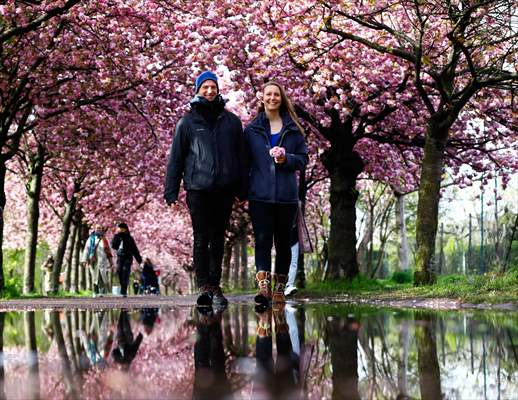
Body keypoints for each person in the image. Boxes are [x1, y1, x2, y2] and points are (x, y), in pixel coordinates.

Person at [164, 71, 246, 307]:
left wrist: (242, 188)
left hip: (224, 189)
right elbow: (176, 158)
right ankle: (203, 286)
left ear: (218, 90)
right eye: (205, 87)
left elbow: (240, 157)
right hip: (197, 189)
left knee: (218, 238)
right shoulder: (187, 122)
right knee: (201, 237)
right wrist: (171, 190)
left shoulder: (231, 122)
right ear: (197, 90)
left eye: (213, 87)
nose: (209, 91)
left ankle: (215, 284)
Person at [245, 81, 308, 308]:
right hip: (259, 196)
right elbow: (245, 162)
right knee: (262, 241)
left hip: (286, 197)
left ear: (282, 99)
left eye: (276, 95)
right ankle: (264, 289)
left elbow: (303, 160)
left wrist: (286, 159)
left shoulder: (294, 129)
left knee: (283, 244)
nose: (272, 98)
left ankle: (280, 290)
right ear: (262, 98)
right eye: (268, 94)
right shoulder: (251, 130)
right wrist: (245, 190)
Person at [81, 224, 114, 297]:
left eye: (100, 228)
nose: (98, 229)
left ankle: (101, 292)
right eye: (97, 228)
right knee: (94, 276)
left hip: (102, 261)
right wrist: (84, 260)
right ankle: (95, 291)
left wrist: (111, 262)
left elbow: (108, 251)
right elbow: (86, 249)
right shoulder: (91, 239)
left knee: (102, 276)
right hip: (93, 260)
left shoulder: (105, 240)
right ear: (95, 229)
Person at [111, 223, 142, 297]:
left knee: (125, 272)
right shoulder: (117, 236)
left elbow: (134, 249)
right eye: (120, 228)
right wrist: (117, 237)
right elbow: (114, 246)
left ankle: (123, 291)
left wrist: (139, 259)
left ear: (126, 229)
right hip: (120, 257)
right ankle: (123, 287)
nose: (121, 229)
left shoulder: (129, 238)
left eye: (123, 228)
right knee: (119, 272)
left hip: (128, 257)